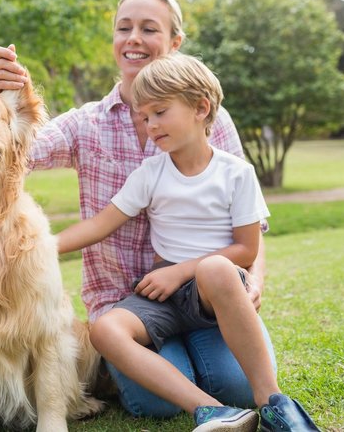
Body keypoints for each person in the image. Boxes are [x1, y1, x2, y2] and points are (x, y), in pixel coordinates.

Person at [0, 0, 276, 418]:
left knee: (231, 384)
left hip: (207, 293)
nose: (134, 38)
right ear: (115, 40)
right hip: (129, 305)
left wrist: (252, 278)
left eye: (149, 28)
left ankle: (230, 390)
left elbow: (249, 222)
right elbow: (14, 151)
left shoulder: (211, 120)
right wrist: (1, 102)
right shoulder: (87, 123)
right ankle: (190, 394)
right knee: (154, 404)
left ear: (174, 43)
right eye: (124, 28)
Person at [55, 53, 320, 431]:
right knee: (104, 330)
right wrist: (41, 247)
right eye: (145, 117)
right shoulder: (151, 173)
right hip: (166, 292)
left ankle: (273, 401)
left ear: (200, 108)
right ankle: (212, 411)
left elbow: (247, 249)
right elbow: (101, 224)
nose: (150, 125)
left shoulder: (236, 174)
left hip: (216, 288)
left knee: (215, 269)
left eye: (160, 112)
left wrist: (182, 271)